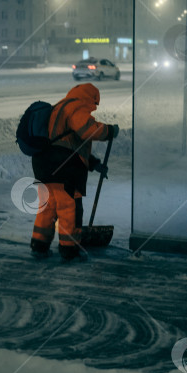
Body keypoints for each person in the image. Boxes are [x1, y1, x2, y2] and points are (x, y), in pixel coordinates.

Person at [30, 83, 119, 261]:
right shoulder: (76, 107)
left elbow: (69, 143)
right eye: (95, 103)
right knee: (69, 209)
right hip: (64, 170)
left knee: (47, 209)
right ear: (90, 98)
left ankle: (39, 246)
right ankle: (70, 250)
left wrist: (93, 163)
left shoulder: (59, 107)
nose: (93, 108)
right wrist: (109, 131)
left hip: (44, 165)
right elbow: (88, 130)